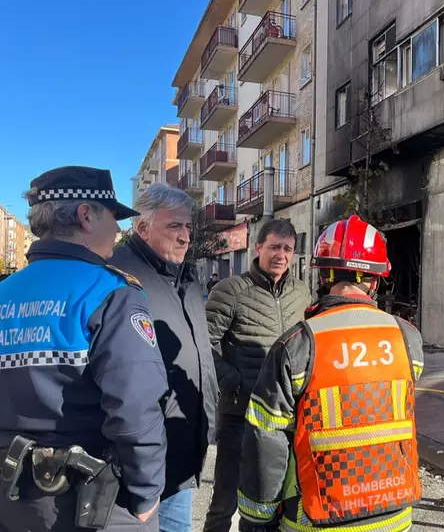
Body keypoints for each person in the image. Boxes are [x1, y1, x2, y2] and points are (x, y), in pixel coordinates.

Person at [0, 166, 168, 531]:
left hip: (10, 497)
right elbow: (135, 406)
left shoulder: (4, 293)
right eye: (114, 217)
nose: (120, 230)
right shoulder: (111, 294)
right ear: (86, 215)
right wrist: (146, 492)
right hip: (91, 501)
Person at [236, 214, 425, 532]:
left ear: (323, 275)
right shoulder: (407, 337)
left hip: (316, 517)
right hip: (395, 513)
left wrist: (257, 517)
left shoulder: (297, 344)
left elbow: (266, 439)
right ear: (376, 280)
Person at [109, 183, 218, 532]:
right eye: (175, 226)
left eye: (188, 227)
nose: (185, 236)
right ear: (142, 227)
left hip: (183, 444)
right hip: (140, 460)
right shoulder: (118, 278)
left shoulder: (185, 275)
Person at [202, 218, 312, 532]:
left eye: (287, 248)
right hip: (241, 414)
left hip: (285, 418)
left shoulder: (302, 294)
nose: (281, 254)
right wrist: (231, 380)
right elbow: (203, 343)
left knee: (278, 497)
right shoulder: (230, 291)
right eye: (274, 246)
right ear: (258, 247)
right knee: (225, 501)